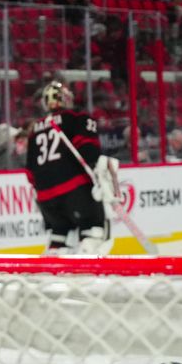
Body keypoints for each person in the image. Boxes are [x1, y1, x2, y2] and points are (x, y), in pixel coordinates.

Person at [25, 81, 114, 255]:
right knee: (92, 229)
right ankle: (87, 267)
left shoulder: (35, 129)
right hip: (75, 191)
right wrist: (101, 175)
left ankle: (53, 261)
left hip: (46, 198)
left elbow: (30, 173)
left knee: (59, 235)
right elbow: (89, 151)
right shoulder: (77, 117)